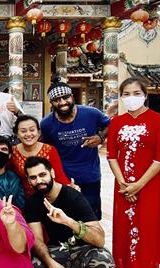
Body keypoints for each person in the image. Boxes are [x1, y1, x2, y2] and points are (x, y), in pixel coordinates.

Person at [23, 156, 113, 268]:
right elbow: (37, 240)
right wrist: (51, 264)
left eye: (42, 175)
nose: (39, 181)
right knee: (32, 267)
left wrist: (68, 221)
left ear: (52, 173)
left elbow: (100, 239)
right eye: (33, 177)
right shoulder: (33, 202)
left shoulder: (73, 197)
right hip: (59, 250)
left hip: (84, 250)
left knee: (103, 259)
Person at [106, 78, 160, 268]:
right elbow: (111, 155)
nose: (131, 97)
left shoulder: (159, 121)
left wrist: (138, 184)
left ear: (145, 94)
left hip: (149, 185)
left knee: (145, 228)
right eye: (126, 93)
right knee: (125, 227)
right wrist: (124, 183)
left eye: (136, 92)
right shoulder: (117, 122)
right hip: (123, 186)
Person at [39, 82, 110, 219]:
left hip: (90, 176)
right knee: (66, 217)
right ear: (51, 103)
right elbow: (46, 149)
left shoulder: (91, 114)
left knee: (91, 217)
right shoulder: (46, 124)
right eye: (57, 100)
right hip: (63, 179)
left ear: (72, 97)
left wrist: (100, 137)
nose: (62, 102)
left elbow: (109, 124)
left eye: (66, 97)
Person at [9, 114, 70, 197]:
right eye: (23, 131)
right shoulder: (12, 152)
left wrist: (70, 190)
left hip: (49, 195)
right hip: (24, 198)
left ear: (39, 132)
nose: (28, 134)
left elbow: (59, 175)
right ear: (17, 134)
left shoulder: (50, 150)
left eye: (32, 130)